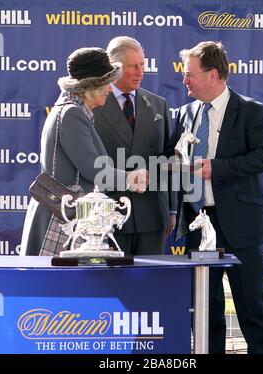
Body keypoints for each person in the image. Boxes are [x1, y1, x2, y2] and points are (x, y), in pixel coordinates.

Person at [167, 41, 263, 354]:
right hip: (196, 224)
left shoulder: (251, 111)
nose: (184, 80)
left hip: (239, 225)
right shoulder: (185, 113)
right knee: (204, 309)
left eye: (189, 74)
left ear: (213, 74)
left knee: (252, 307)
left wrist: (215, 168)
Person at [20, 47, 148, 256]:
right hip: (62, 219)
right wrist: (131, 179)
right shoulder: (72, 113)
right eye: (107, 82)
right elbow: (94, 170)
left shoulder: (72, 111)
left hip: (69, 216)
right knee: (62, 286)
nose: (110, 88)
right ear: (92, 86)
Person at [93, 36, 176, 256]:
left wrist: (171, 208)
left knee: (150, 285)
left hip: (152, 216)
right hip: (108, 216)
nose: (140, 72)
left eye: (142, 65)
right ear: (114, 67)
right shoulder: (92, 105)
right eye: (133, 66)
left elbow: (169, 158)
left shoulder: (158, 104)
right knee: (111, 286)